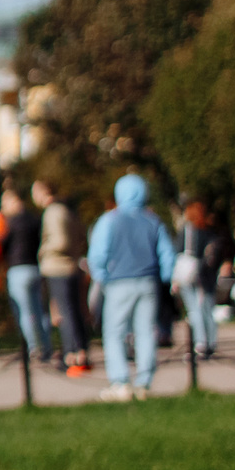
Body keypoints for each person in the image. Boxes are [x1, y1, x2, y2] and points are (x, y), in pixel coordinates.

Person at [86, 172, 178, 401]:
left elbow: (97, 255)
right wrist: (165, 279)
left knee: (115, 333)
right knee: (146, 332)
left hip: (118, 283)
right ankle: (144, 383)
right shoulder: (152, 220)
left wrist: (102, 276)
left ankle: (120, 382)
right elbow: (167, 254)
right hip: (148, 283)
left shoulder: (110, 220)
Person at [33, 179, 90, 377]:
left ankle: (72, 355)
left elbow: (60, 241)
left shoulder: (53, 212)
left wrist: (43, 250)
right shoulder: (67, 209)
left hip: (58, 266)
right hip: (71, 265)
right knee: (74, 311)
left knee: (65, 313)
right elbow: (81, 235)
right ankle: (80, 351)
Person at [0, 186, 51, 363]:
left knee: (26, 313)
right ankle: (47, 346)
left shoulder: (10, 223)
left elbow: (2, 246)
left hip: (18, 269)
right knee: (39, 310)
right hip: (35, 268)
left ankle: (34, 347)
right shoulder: (35, 219)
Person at [176, 201, 227, 361]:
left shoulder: (188, 231)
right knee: (207, 311)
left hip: (191, 275)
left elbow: (177, 251)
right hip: (207, 277)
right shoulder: (211, 232)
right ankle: (210, 344)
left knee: (195, 311)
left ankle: (200, 345)